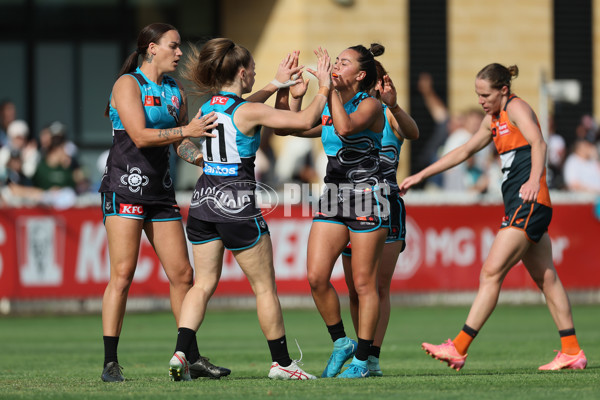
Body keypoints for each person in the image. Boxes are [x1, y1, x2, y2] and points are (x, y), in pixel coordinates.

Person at [399, 63, 587, 371]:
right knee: (546, 277)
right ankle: (571, 350)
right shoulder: (493, 119)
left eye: (485, 94)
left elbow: (540, 142)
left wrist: (533, 179)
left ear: (503, 89)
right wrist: (421, 175)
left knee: (490, 273)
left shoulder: (516, 108)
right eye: (477, 95)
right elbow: (463, 151)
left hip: (529, 203)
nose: (481, 101)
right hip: (523, 203)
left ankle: (458, 347)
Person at [167, 38, 331, 381]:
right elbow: (301, 123)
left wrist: (277, 84)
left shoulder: (209, 106)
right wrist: (324, 87)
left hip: (202, 203)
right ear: (242, 72)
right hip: (237, 205)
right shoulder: (249, 110)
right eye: (254, 69)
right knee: (264, 288)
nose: (256, 74)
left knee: (202, 285)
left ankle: (182, 352)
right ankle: (282, 363)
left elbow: (185, 142)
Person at [98, 22, 229, 382]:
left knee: (183, 275)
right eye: (173, 46)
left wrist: (211, 162)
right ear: (151, 48)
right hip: (124, 188)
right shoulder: (128, 84)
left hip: (160, 193)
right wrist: (186, 130)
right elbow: (139, 135)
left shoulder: (175, 91)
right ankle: (111, 361)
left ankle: (191, 357)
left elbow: (181, 145)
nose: (179, 53)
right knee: (122, 276)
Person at [275, 44, 391, 379]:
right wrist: (291, 93)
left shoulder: (370, 104)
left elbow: (344, 127)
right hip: (334, 197)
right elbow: (287, 127)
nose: (336, 66)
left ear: (361, 74)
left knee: (363, 284)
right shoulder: (331, 100)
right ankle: (342, 342)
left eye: (344, 63)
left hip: (368, 197)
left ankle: (364, 360)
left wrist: (327, 88)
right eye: (335, 61)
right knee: (316, 276)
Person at [341, 61, 419, 376]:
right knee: (355, 288)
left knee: (379, 286)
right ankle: (360, 350)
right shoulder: (347, 110)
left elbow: (413, 133)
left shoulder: (387, 112)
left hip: (386, 202)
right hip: (349, 202)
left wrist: (395, 104)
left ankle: (371, 357)